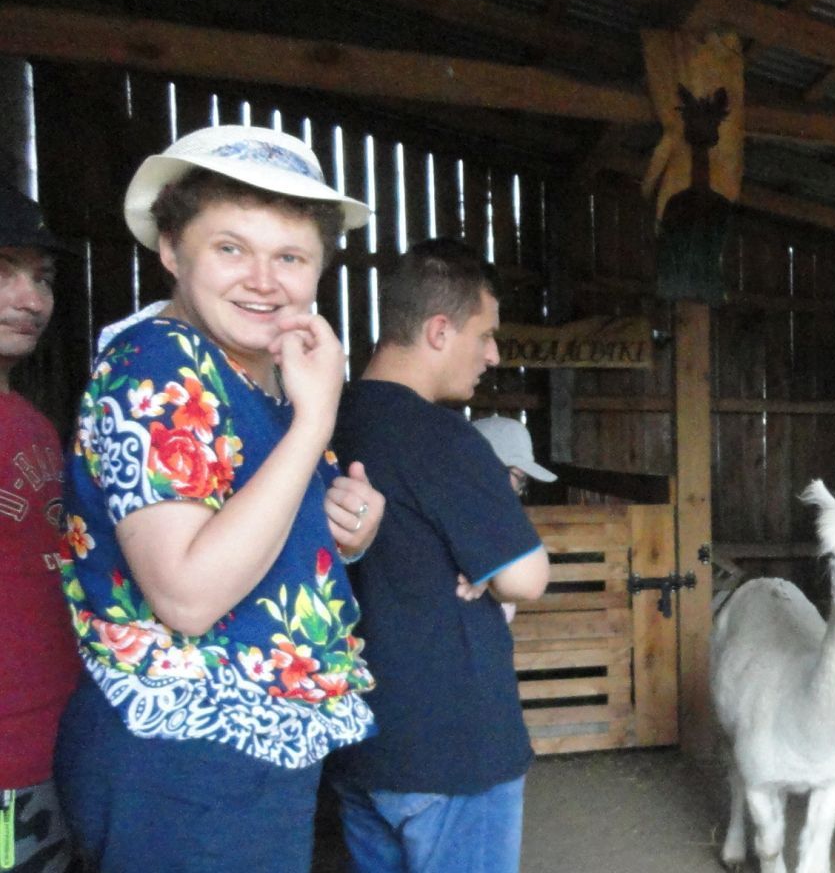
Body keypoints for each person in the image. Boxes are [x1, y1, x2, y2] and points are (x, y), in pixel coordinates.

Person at [55, 125, 384, 870]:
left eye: (290, 257)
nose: (264, 280)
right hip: (179, 768)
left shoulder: (255, 375)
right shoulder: (156, 368)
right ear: (172, 250)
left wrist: (349, 527)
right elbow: (190, 595)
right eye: (230, 248)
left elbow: (266, 531)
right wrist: (318, 421)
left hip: (236, 759)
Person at [329, 239, 551, 873]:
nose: (493, 354)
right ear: (437, 330)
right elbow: (525, 576)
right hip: (454, 747)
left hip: (360, 743)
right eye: (485, 334)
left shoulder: (324, 420)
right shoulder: (442, 437)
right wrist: (492, 573)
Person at [0, 189, 79, 872]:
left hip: (47, 749)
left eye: (41, 278)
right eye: (3, 271)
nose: (28, 298)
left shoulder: (26, 418)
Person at [472, 415, 558, 623]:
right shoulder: (458, 522)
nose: (518, 491)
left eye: (522, 481)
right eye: (517, 477)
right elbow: (528, 587)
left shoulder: (492, 520)